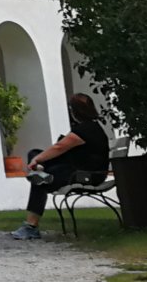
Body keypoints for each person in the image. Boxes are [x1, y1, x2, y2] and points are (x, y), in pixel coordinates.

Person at [10, 91, 111, 240]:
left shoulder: (84, 131)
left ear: (75, 111)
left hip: (85, 175)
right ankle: (39, 173)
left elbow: (59, 147)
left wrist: (37, 160)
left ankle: (31, 226)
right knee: (35, 155)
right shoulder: (91, 127)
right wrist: (37, 159)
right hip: (79, 171)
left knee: (39, 179)